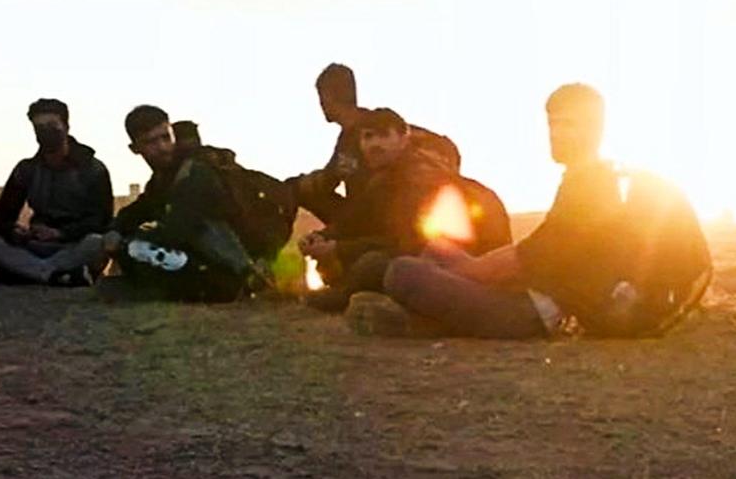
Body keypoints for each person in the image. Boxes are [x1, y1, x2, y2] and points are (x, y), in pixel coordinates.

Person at [383, 83, 712, 338]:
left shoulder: (590, 189)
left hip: (535, 315)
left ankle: (427, 319)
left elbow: (509, 267)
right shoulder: (585, 182)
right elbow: (533, 255)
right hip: (536, 297)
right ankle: (430, 320)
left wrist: (460, 267)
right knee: (434, 254)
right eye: (552, 123)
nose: (556, 133)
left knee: (404, 272)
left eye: (567, 124)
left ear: (594, 129)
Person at [300, 108, 511, 313]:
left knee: (374, 265)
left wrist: (338, 249)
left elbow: (408, 246)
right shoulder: (385, 178)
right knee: (360, 262)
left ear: (404, 138)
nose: (375, 144)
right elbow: (358, 218)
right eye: (368, 137)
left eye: (384, 136)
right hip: (444, 259)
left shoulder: (418, 178)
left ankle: (346, 295)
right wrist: (321, 236)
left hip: (473, 265)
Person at [99, 105, 262, 303]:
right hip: (202, 261)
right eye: (151, 142)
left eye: (165, 137)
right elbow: (138, 210)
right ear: (135, 148)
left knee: (135, 248)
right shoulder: (164, 178)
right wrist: (115, 230)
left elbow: (175, 233)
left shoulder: (195, 173)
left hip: (226, 267)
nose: (162, 147)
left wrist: (126, 242)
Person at [286, 63, 461, 223]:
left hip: (389, 217)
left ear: (326, 98)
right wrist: (294, 185)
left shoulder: (374, 128)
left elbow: (326, 181)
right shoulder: (351, 137)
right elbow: (328, 178)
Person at [0, 98, 113, 287]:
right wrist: (16, 232)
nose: (46, 133)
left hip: (73, 245)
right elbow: (1, 219)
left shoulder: (92, 169)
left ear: (66, 126)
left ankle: (30, 272)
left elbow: (101, 220)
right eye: (39, 127)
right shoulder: (26, 169)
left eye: (52, 126)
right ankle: (54, 274)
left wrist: (60, 234)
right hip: (35, 245)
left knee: (96, 243)